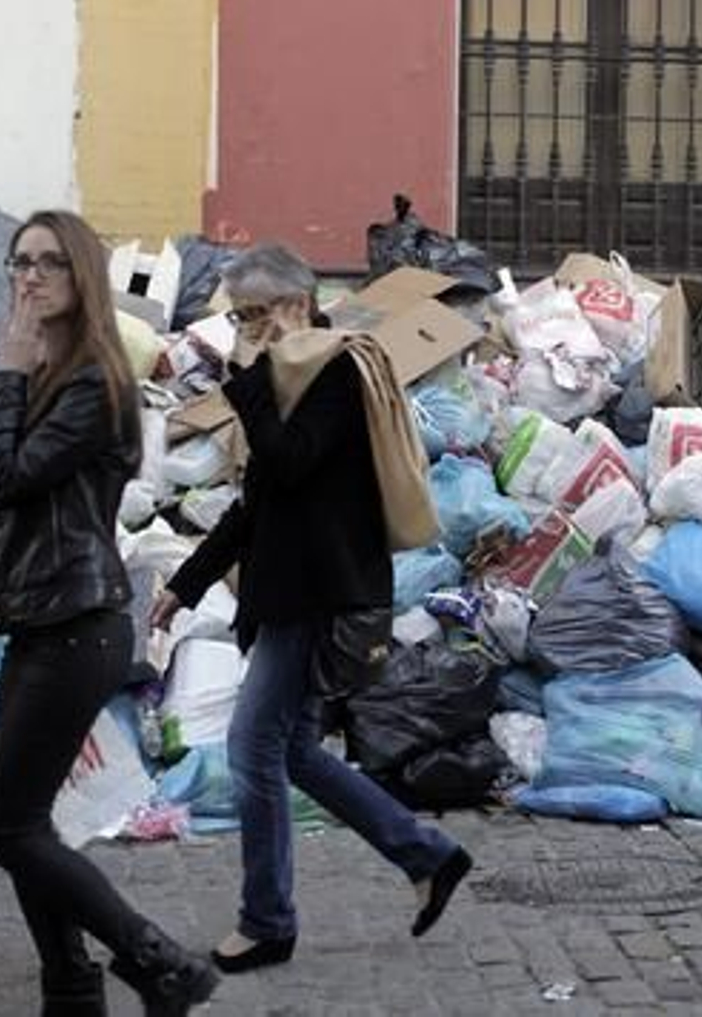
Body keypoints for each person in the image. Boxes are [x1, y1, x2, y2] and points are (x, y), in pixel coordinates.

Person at [151, 243, 472, 975]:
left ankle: (267, 921)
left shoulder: (335, 372)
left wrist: (250, 381)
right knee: (290, 749)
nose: (244, 331)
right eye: (238, 317)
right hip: (288, 591)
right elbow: (261, 500)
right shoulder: (291, 377)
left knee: (251, 746)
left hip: (317, 596)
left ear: (296, 305)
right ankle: (428, 853)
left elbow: (290, 458)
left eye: (253, 315)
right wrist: (188, 582)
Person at [0, 210, 219, 1016]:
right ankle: (72, 989)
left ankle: (162, 962)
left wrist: (4, 377)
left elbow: (6, 478)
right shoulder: (52, 370)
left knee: (8, 830)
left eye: (50, 262)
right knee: (28, 826)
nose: (30, 275)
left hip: (78, 626)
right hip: (45, 622)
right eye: (20, 261)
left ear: (83, 277)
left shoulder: (91, 381)